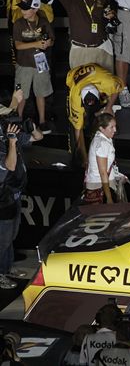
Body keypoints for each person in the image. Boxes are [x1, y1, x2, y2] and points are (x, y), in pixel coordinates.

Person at [0, 88, 43, 290]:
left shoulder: (11, 136)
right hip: (3, 197)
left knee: (12, 235)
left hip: (14, 195)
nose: (10, 122)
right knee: (3, 239)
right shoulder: (5, 142)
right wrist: (11, 143)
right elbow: (9, 165)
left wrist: (31, 127)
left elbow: (38, 138)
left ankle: (7, 268)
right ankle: (0, 274)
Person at [52, 0, 116, 72]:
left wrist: (110, 14)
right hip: (81, 50)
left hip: (102, 47)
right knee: (81, 86)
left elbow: (109, 11)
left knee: (105, 86)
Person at [66, 63, 123, 167]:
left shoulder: (107, 82)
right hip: (73, 79)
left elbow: (118, 87)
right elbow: (78, 130)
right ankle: (79, 157)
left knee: (106, 119)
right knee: (76, 125)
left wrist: (109, 107)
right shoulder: (75, 98)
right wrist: (85, 159)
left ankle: (109, 154)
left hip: (98, 76)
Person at [12, 0, 54, 134]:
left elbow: (52, 39)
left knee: (40, 93)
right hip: (24, 64)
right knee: (21, 94)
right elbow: (18, 45)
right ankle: (17, 120)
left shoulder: (43, 22)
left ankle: (42, 121)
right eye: (22, 8)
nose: (23, 11)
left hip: (40, 64)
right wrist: (36, 43)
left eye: (26, 8)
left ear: (35, 9)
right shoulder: (18, 23)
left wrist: (48, 43)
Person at [83, 113, 128, 204]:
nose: (115, 130)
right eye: (111, 127)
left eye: (115, 126)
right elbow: (103, 173)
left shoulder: (102, 139)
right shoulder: (102, 143)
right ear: (101, 128)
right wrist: (109, 198)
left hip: (100, 183)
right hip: (99, 186)